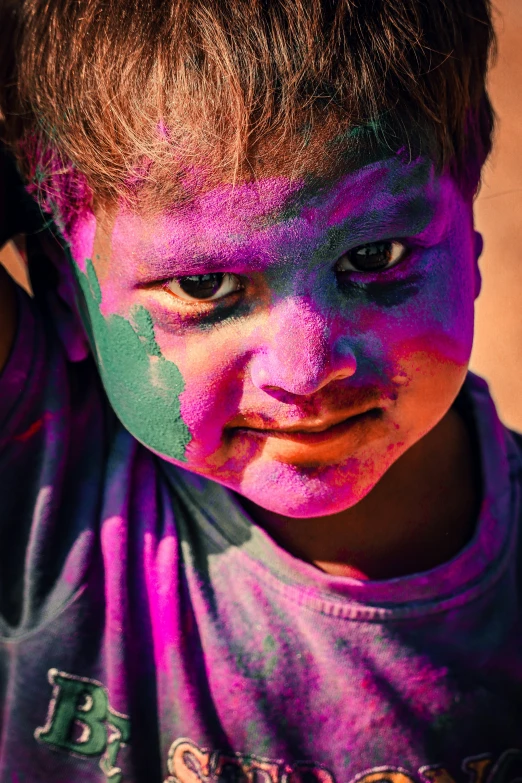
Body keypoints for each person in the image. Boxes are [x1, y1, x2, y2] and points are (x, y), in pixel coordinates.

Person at [0, 1, 520, 781]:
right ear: (63, 285)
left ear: (468, 193)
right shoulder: (42, 467)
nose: (308, 371)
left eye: (376, 254)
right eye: (204, 284)